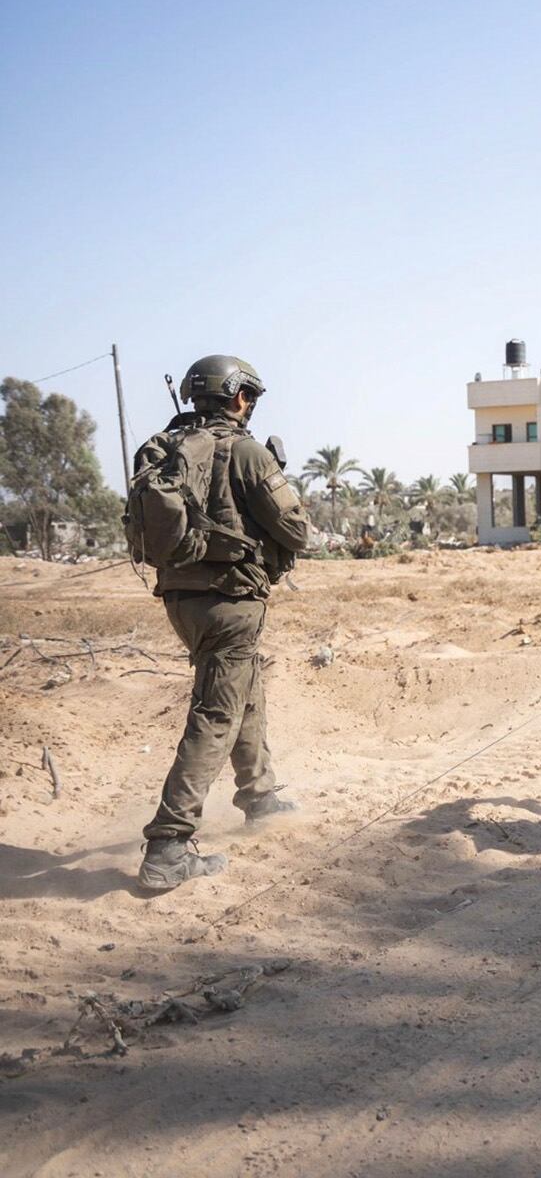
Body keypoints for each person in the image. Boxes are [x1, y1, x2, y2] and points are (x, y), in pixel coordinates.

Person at [136, 355, 312, 891]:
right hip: (231, 602)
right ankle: (169, 845)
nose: (251, 405)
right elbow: (297, 531)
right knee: (216, 714)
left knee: (243, 691)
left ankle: (260, 796)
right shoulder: (247, 452)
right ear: (238, 396)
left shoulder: (167, 448)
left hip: (180, 599)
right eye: (250, 396)